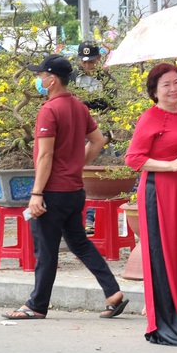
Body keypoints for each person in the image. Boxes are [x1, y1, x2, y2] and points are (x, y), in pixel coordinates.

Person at [1, 54, 128, 320]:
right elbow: (97, 141)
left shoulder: (49, 110)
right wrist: (75, 164)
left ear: (52, 80)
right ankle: (112, 291)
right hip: (73, 191)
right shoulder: (79, 107)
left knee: (45, 250)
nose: (38, 80)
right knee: (79, 243)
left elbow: (45, 156)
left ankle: (36, 305)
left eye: (40, 76)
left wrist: (37, 193)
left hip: (53, 192)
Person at [125, 63, 177, 346]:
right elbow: (133, 159)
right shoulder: (150, 117)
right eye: (165, 85)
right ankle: (164, 320)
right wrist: (170, 165)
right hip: (158, 192)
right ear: (154, 91)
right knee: (162, 253)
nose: (173, 88)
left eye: (176, 82)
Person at [75, 41, 112, 234]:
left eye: (91, 61)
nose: (88, 65)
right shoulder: (73, 78)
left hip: (98, 131)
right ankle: (82, 216)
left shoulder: (106, 80)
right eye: (84, 61)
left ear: (98, 59)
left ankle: (93, 217)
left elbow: (112, 105)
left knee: (98, 175)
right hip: (77, 132)